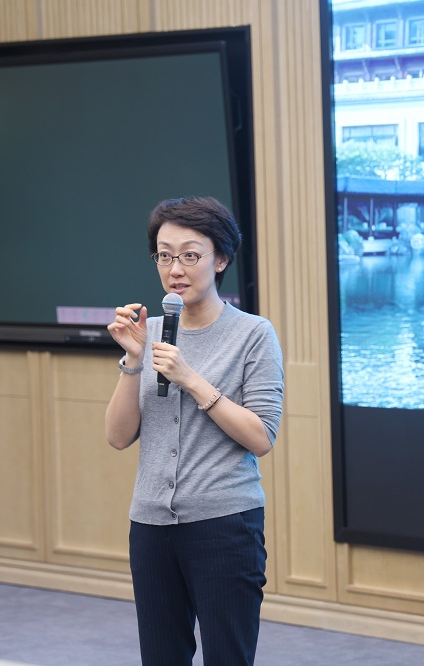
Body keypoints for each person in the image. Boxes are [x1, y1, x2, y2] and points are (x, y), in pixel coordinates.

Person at [104, 196, 284, 665]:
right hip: (150, 526)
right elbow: (118, 437)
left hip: (225, 524)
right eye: (164, 256)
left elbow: (262, 436)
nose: (175, 269)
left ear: (220, 259)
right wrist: (133, 361)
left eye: (189, 255)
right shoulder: (148, 332)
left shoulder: (254, 334)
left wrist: (191, 378)